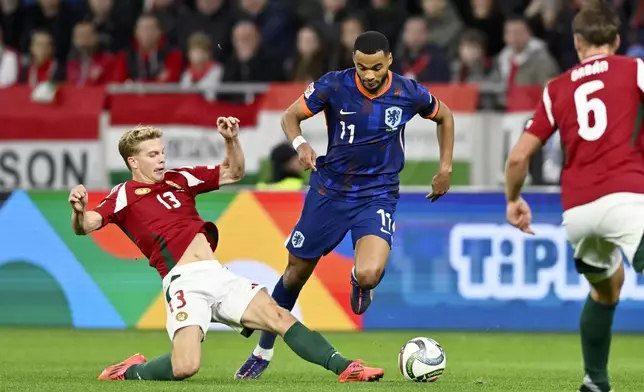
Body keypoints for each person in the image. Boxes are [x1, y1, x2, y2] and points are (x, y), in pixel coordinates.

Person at [68, 118, 384, 383]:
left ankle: (346, 368)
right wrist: (79, 211)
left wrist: (231, 140)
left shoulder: (180, 178)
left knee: (278, 316)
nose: (161, 159)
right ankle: (131, 372)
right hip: (184, 282)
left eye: (162, 151)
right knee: (185, 367)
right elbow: (87, 225)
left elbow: (233, 172)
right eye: (152, 154)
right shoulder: (123, 193)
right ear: (133, 162)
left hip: (217, 275)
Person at [236, 31, 455, 379]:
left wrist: (445, 167)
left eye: (376, 67)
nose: (368, 74)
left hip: (378, 193)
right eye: (361, 66)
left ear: (389, 62)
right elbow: (290, 116)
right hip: (330, 191)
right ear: (353, 60)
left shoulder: (407, 92)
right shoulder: (333, 86)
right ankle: (262, 351)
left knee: (370, 272)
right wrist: (300, 144)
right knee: (295, 273)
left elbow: (445, 116)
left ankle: (358, 281)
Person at [504, 4, 644, 392]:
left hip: (579, 211)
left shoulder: (557, 88)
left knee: (606, 289)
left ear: (577, 43)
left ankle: (595, 382)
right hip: (630, 198)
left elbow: (518, 157)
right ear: (616, 41)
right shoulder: (636, 69)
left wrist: (513, 200)